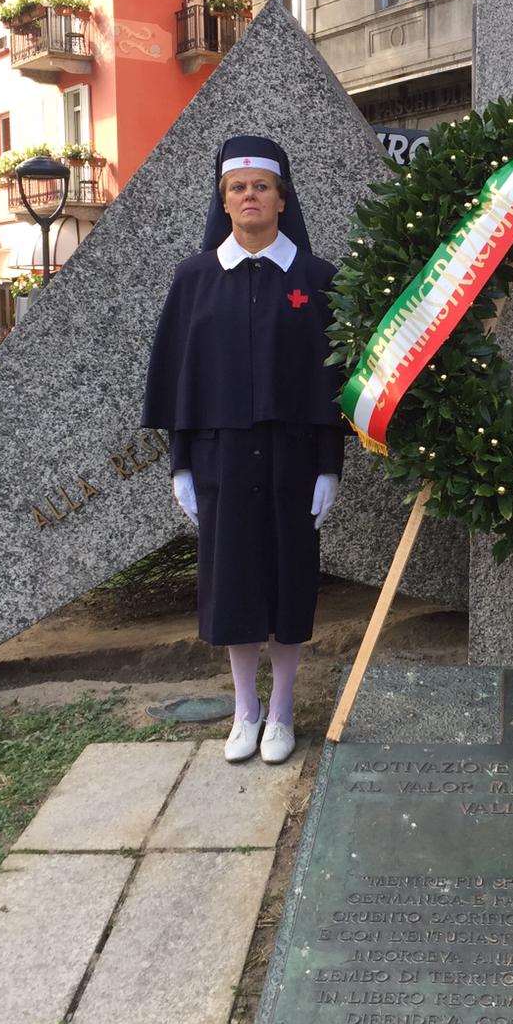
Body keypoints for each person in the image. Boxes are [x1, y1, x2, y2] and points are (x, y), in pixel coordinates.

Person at [142, 135, 344, 764]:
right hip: (220, 458)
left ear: (282, 199)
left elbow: (333, 378)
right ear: (223, 200)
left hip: (293, 457)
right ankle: (245, 710)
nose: (249, 195)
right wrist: (180, 464)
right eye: (238, 187)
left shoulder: (316, 278)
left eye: (261, 186)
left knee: (289, 580)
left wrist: (330, 466)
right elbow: (180, 376)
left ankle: (281, 709)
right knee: (232, 582)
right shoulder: (195, 278)